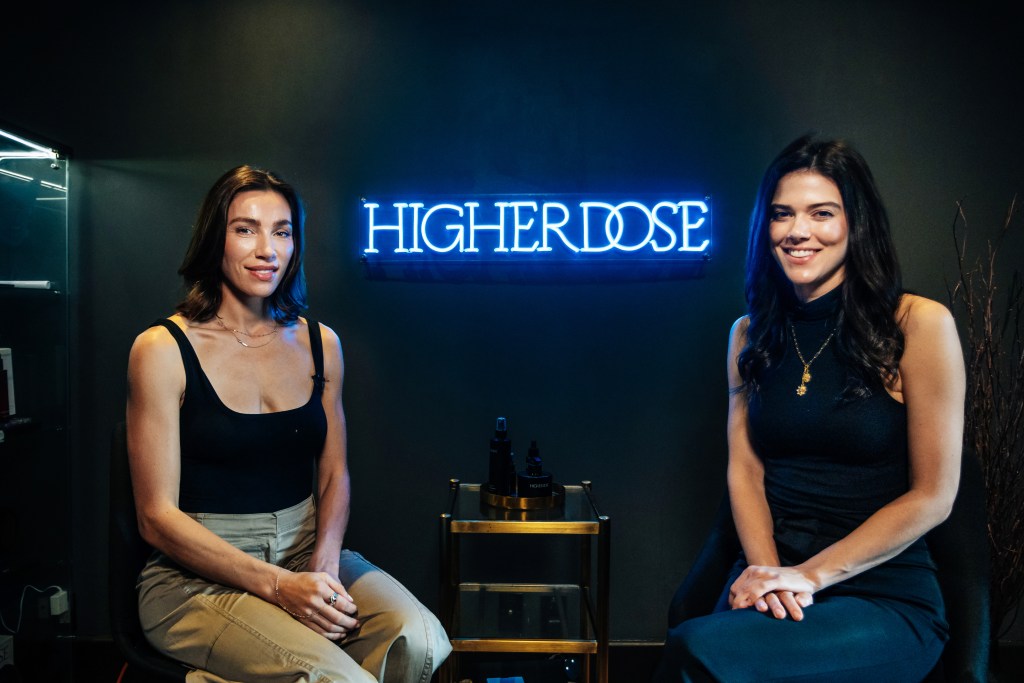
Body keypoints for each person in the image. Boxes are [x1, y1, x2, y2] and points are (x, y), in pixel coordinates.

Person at [653, 136, 965, 682]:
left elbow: (933, 496)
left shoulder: (918, 323)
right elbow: (746, 470)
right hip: (774, 573)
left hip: (881, 593)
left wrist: (809, 577)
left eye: (822, 213)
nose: (798, 231)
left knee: (697, 652)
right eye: (782, 215)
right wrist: (769, 573)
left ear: (856, 223)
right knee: (699, 645)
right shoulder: (749, 333)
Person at [126, 165, 451, 683]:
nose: (266, 249)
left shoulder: (321, 343)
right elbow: (155, 517)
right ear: (216, 238)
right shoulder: (162, 349)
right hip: (197, 577)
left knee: (419, 638)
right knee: (335, 678)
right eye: (245, 228)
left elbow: (333, 474)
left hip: (304, 550)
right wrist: (278, 587)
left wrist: (321, 569)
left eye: (282, 231)